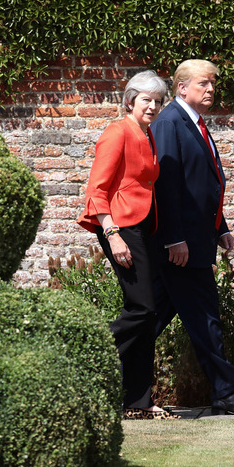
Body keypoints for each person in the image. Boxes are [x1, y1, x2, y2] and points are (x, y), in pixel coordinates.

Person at [150, 59, 234, 414]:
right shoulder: (171, 122)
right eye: (204, 83)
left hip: (194, 240)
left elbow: (200, 186)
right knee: (204, 318)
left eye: (213, 83)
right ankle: (226, 393)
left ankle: (109, 375)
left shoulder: (193, 123)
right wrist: (174, 238)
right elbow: (166, 184)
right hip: (181, 247)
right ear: (182, 87)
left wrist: (220, 226)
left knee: (146, 319)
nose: (211, 89)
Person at [77, 70, 178, 420]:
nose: (152, 106)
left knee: (147, 316)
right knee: (143, 309)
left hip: (143, 228)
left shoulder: (146, 134)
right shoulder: (116, 132)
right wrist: (112, 233)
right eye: (146, 100)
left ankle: (137, 397)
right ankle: (86, 354)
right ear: (130, 100)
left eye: (158, 101)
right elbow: (97, 189)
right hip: (121, 227)